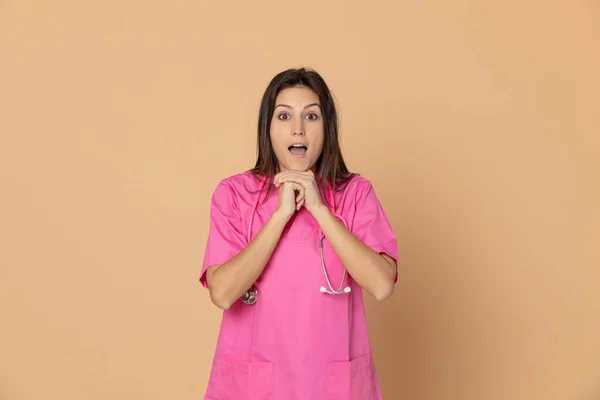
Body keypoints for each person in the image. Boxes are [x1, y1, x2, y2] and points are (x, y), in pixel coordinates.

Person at [199, 67, 398, 400]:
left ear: (327, 127)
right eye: (284, 116)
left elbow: (381, 284)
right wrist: (280, 215)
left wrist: (320, 210)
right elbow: (222, 293)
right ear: (268, 127)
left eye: (311, 116)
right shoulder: (234, 194)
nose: (298, 129)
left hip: (331, 385)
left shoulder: (354, 194)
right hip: (254, 387)